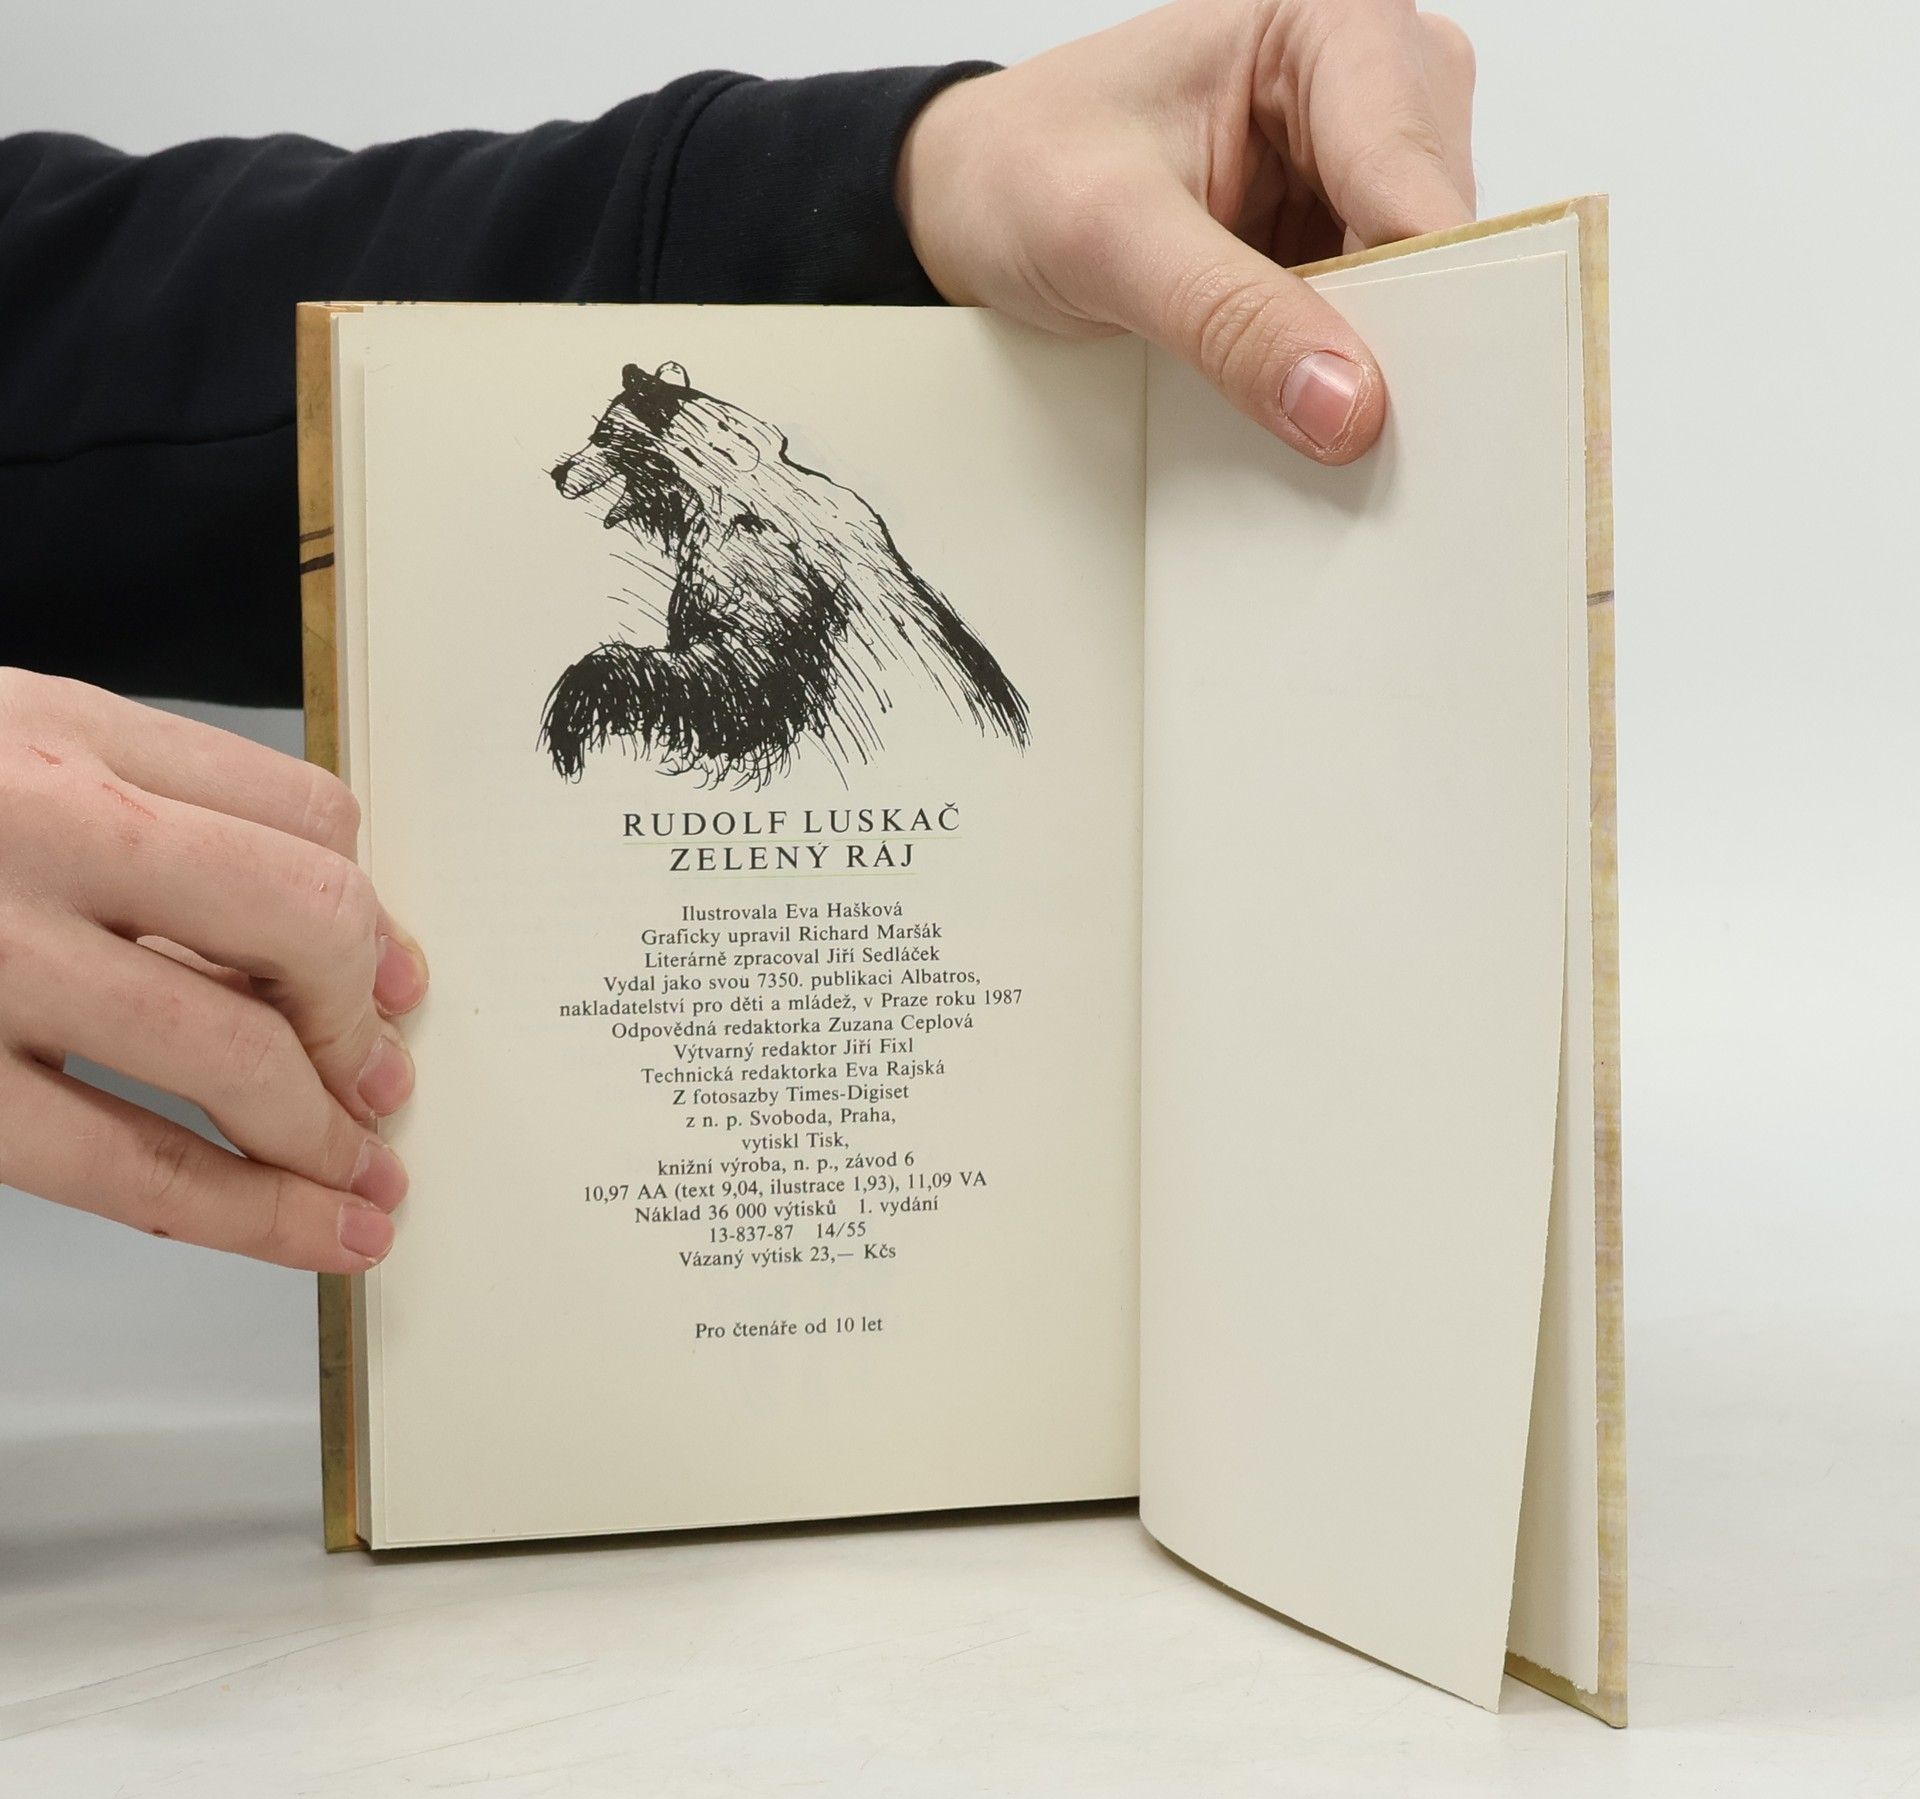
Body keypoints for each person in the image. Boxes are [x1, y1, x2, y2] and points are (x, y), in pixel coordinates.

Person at [0, 0, 1475, 1274]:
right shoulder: (749, 517)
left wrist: (887, 187)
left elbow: (55, 308)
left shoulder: (760, 530)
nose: (582, 485)